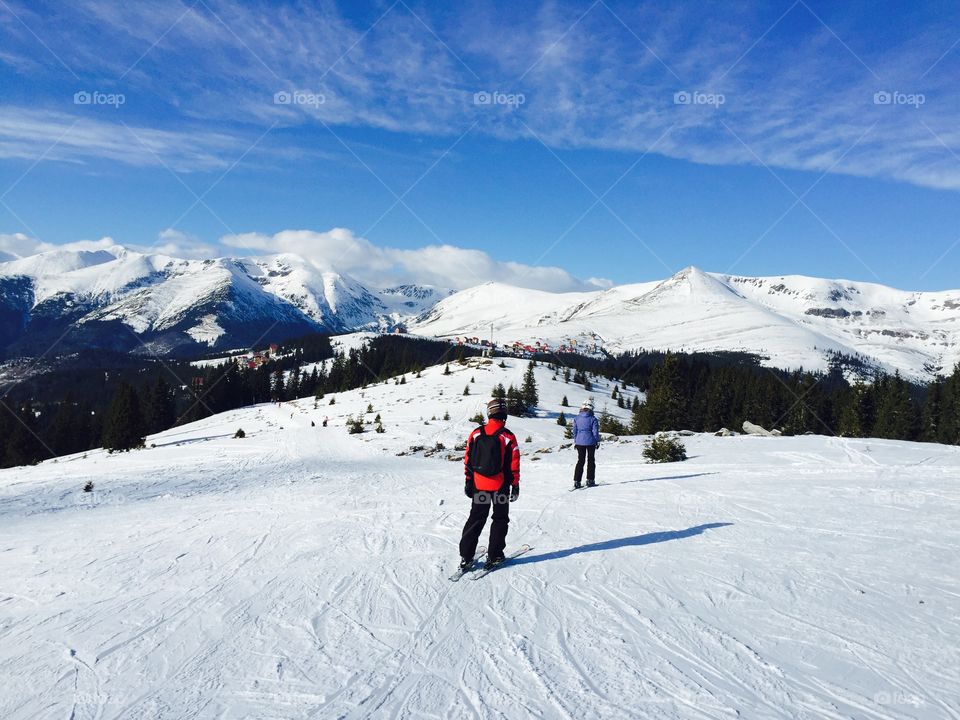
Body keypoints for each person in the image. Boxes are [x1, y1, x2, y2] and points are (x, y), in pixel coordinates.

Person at [459, 398, 521, 570]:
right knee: (500, 519)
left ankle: (466, 556)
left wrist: (468, 480)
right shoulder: (507, 436)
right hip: (500, 488)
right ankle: (495, 556)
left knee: (476, 518)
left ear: (490, 413)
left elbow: (468, 459)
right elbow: (514, 463)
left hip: (480, 485)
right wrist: (515, 485)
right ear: (504, 414)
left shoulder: (476, 433)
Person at [572, 399, 600, 488]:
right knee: (591, 460)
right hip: (590, 442)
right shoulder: (593, 419)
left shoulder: (576, 418)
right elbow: (595, 432)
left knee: (580, 461)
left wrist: (576, 441)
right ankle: (590, 480)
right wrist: (597, 441)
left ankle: (577, 481)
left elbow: (574, 431)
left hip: (579, 442)